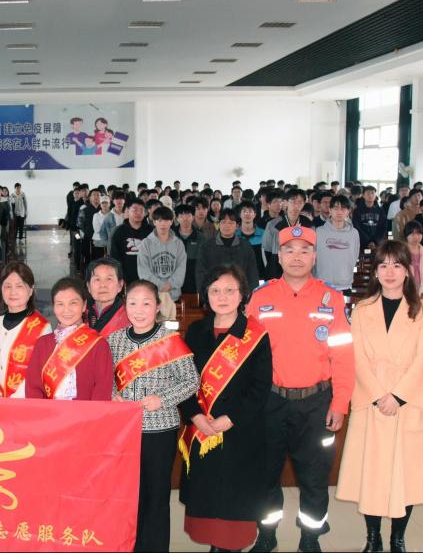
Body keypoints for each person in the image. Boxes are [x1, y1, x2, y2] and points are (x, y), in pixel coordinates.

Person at [335, 241, 423, 553]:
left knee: (406, 474)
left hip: (408, 402)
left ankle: (398, 537)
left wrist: (398, 396)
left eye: (397, 265)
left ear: (408, 271)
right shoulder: (362, 310)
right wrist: (376, 394)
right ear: (375, 271)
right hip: (371, 401)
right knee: (371, 472)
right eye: (383, 265)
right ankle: (373, 537)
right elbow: (355, 357)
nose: (389, 272)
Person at [248, 226, 354, 553]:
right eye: (290, 250)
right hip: (270, 403)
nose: (297, 257)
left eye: (304, 250)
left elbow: (343, 356)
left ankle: (310, 538)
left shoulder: (332, 299)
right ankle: (267, 535)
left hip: (316, 404)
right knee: (265, 475)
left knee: (315, 478)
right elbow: (245, 356)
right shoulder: (260, 298)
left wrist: (340, 403)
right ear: (279, 256)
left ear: (315, 257)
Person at [179, 264, 273, 553]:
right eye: (215, 290)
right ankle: (214, 546)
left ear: (243, 294)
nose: (222, 297)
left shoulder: (256, 335)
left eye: (230, 290)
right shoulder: (195, 331)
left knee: (235, 499)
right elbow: (183, 380)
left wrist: (231, 418)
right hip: (202, 429)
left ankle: (230, 547)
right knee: (207, 495)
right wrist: (195, 415)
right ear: (206, 295)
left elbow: (260, 386)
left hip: (240, 431)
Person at [109, 280, 199, 552]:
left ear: (158, 307)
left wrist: (163, 399)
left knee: (156, 496)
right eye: (133, 303)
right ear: (125, 306)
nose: (139, 310)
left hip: (159, 431)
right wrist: (113, 395)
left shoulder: (170, 340)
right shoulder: (114, 340)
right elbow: (107, 378)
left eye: (146, 303)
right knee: (129, 496)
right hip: (124, 431)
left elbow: (191, 381)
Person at [24, 277, 114, 400]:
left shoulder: (99, 345)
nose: (66, 310)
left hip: (86, 412)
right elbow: (33, 388)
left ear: (84, 305)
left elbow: (102, 390)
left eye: (73, 303)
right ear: (54, 307)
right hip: (48, 412)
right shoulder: (42, 344)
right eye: (60, 304)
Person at [0, 262, 51, 397]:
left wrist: (14, 401)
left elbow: (38, 371)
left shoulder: (42, 327)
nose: (13, 292)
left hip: (24, 401)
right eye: (7, 286)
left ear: (31, 290)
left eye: (19, 286)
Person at [137, 206, 186, 321]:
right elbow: (143, 271)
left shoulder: (178, 244)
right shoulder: (146, 243)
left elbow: (181, 269)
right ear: (154, 222)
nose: (163, 224)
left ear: (171, 222)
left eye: (166, 220)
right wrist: (160, 285)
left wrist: (170, 284)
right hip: (152, 294)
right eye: (159, 220)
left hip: (173, 294)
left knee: (169, 324)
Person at [196, 208, 260, 294]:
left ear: (237, 226)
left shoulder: (245, 246)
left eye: (231, 223)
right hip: (215, 294)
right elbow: (200, 273)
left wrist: (251, 296)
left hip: (240, 294)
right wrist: (206, 294)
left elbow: (252, 273)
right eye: (223, 222)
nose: (227, 226)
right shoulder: (207, 247)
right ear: (218, 224)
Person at [313, 195, 360, 291]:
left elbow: (355, 256)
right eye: (336, 208)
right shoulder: (319, 232)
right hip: (322, 285)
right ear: (330, 210)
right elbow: (313, 257)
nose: (339, 212)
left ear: (348, 211)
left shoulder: (354, 233)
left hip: (345, 284)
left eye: (343, 209)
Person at [110, 198, 153, 284]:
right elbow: (115, 256)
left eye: (141, 210)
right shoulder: (119, 231)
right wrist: (120, 275)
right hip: (127, 275)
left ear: (145, 213)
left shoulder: (151, 231)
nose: (138, 213)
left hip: (149, 276)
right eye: (135, 210)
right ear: (127, 210)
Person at [85, 257, 130, 337]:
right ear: (88, 286)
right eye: (97, 279)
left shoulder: (130, 316)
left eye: (109, 279)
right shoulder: (80, 313)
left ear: (120, 285)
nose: (103, 285)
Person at [174, 204, 204, 295]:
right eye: (181, 216)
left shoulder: (201, 238)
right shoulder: (170, 236)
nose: (185, 219)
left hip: (194, 283)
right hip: (173, 283)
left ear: (193, 217)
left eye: (188, 215)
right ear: (177, 218)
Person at [353, 186, 387, 253]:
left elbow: (383, 227)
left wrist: (375, 241)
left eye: (372, 193)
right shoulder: (357, 211)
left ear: (375, 195)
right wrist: (368, 241)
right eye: (368, 193)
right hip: (361, 242)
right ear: (363, 195)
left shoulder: (380, 211)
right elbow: (356, 227)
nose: (370, 195)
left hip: (376, 243)